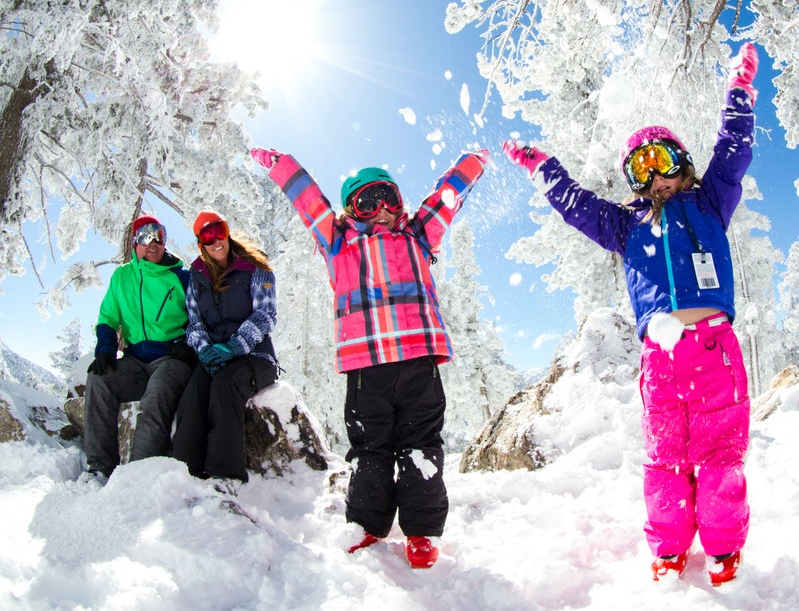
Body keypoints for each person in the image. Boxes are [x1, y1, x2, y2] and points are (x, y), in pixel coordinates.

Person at [502, 42, 759, 586]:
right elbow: (577, 206)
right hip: (661, 361)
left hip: (715, 351)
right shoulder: (627, 225)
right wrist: (542, 166)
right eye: (640, 171)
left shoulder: (710, 201)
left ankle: (722, 548)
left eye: (662, 162)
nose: (654, 178)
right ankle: (668, 549)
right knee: (665, 461)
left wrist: (738, 93)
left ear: (682, 166)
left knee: (719, 458)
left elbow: (733, 152)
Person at [250, 146, 487, 569]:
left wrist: (472, 163)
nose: (380, 210)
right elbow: (308, 202)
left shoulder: (417, 235)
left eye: (388, 198)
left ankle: (421, 532)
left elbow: (446, 197)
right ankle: (366, 524)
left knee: (421, 447)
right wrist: (280, 164)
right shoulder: (338, 243)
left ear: (400, 202)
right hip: (366, 369)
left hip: (419, 362)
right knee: (370, 449)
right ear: (350, 210)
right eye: (366, 201)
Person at [171, 210, 279, 483]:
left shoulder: (254, 267)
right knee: (195, 391)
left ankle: (225, 474)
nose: (216, 241)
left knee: (224, 386)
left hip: (254, 356)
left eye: (220, 231)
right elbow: (194, 321)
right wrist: (204, 349)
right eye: (208, 236)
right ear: (200, 244)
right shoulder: (197, 276)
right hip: (215, 356)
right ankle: (186, 471)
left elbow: (265, 315)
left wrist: (234, 346)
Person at [84, 215, 195, 480]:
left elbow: (201, 318)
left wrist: (189, 344)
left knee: (157, 394)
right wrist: (105, 349)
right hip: (135, 361)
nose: (153, 243)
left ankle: (136, 477)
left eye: (159, 237)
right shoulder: (122, 277)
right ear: (135, 243)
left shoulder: (181, 278)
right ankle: (100, 468)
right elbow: (108, 317)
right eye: (145, 237)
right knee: (99, 380)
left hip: (171, 357)